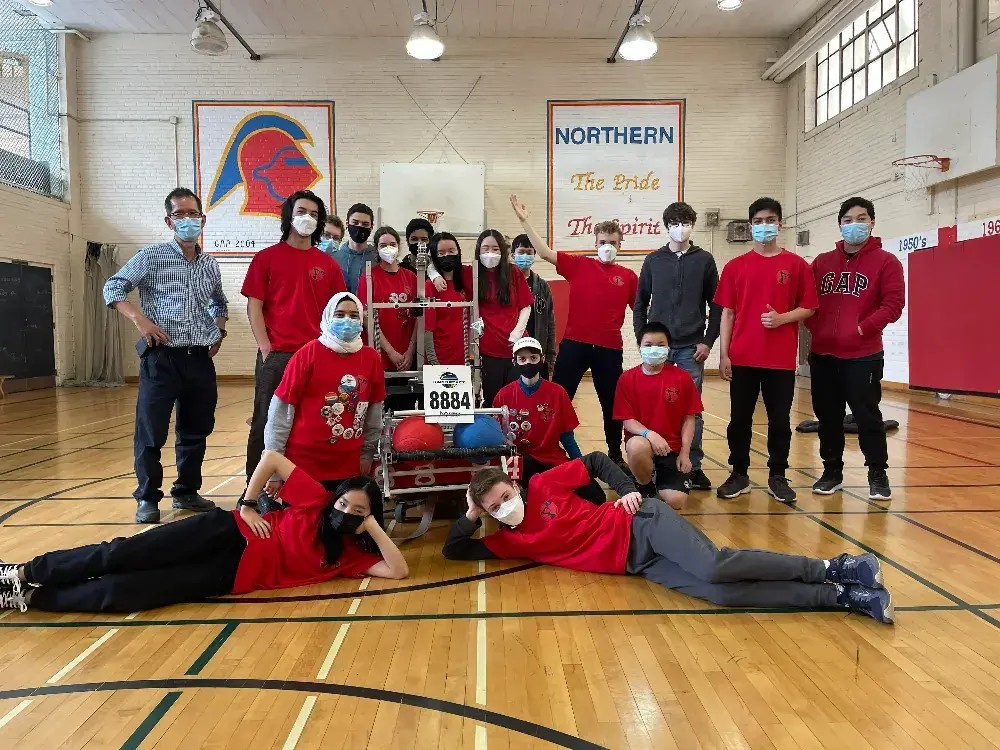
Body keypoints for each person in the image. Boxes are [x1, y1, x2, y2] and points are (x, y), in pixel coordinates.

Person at [440, 455, 893, 623]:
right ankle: (840, 598)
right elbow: (454, 551)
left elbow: (597, 460)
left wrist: (628, 490)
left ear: (514, 486)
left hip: (641, 523)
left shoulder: (542, 486)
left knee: (716, 566)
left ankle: (835, 567)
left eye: (503, 497)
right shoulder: (507, 541)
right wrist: (471, 514)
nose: (503, 507)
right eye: (493, 507)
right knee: (722, 597)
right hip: (639, 565)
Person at [0, 451, 409, 614]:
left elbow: (399, 570)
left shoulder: (351, 556)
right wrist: (248, 504)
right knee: (120, 554)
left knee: (124, 593)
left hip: (231, 576)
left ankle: (30, 597)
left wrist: (370, 523)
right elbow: (271, 458)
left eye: (358, 511)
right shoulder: (317, 501)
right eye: (345, 503)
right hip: (226, 532)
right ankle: (20, 572)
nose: (345, 512)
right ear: (334, 498)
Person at [103, 188, 228, 524]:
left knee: (196, 429)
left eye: (193, 213)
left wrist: (219, 329)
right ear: (169, 220)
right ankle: (147, 498)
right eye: (179, 214)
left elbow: (219, 302)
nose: (187, 220)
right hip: (162, 359)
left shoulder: (210, 265)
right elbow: (112, 288)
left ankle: (187, 491)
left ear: (202, 218)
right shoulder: (152, 256)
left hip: (199, 359)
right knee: (151, 431)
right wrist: (140, 319)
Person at [510, 195, 638, 469]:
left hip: (609, 349)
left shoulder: (628, 276)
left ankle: (615, 453)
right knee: (559, 398)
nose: (607, 247)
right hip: (574, 346)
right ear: (595, 243)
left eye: (612, 243)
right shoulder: (579, 265)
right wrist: (524, 220)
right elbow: (544, 252)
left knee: (611, 404)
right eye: (603, 242)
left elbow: (641, 311)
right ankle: (547, 448)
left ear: (620, 245)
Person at [241, 190, 346, 500]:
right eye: (302, 211)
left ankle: (303, 491)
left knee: (311, 424)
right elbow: (254, 306)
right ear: (289, 215)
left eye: (314, 214)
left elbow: (337, 310)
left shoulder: (327, 264)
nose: (308, 218)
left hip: (316, 356)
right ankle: (254, 493)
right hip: (278, 356)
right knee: (265, 421)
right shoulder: (266, 258)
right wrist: (265, 347)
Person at [715, 198, 818, 504]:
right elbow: (727, 314)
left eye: (770, 219)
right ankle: (739, 473)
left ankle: (777, 475)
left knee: (778, 420)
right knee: (739, 419)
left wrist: (782, 318)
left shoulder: (796, 265)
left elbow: (809, 307)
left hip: (780, 360)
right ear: (750, 227)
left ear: (780, 224)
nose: (764, 226)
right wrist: (724, 354)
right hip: (743, 357)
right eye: (758, 221)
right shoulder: (735, 267)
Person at [807, 197, 905, 501]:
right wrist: (817, 328)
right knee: (828, 418)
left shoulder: (887, 262)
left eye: (861, 219)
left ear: (872, 222)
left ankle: (878, 473)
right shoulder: (822, 262)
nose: (854, 225)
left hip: (863, 356)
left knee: (867, 417)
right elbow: (807, 302)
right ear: (840, 224)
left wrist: (862, 328)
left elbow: (893, 305)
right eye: (848, 220)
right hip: (823, 354)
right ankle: (831, 471)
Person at [263, 292, 386, 502]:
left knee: (339, 529)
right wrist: (274, 469)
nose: (347, 320)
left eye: (354, 315)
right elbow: (280, 415)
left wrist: (367, 454)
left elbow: (374, 412)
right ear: (328, 317)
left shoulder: (371, 358)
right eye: (339, 314)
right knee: (303, 529)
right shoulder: (307, 355)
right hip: (303, 465)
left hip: (349, 465)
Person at [633, 201, 720, 491]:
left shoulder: (704, 260)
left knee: (690, 411)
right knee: (653, 406)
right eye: (674, 222)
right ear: (666, 226)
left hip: (690, 350)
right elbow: (640, 304)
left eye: (685, 221)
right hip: (658, 349)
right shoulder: (654, 260)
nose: (680, 227)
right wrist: (642, 340)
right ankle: (656, 463)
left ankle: (692, 466)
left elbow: (717, 305)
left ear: (693, 224)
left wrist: (708, 341)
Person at [493, 337, 605, 504]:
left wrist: (580, 464)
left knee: (596, 496)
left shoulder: (557, 392)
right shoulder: (504, 395)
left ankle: (545, 490)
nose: (528, 363)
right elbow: (496, 437)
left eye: (533, 358)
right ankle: (540, 493)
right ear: (514, 362)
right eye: (522, 359)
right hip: (520, 462)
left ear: (542, 359)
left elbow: (567, 437)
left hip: (551, 459)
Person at [614, 322, 701, 511]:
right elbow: (627, 419)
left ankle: (661, 475)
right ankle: (645, 485)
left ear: (669, 348)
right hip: (643, 443)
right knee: (637, 446)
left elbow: (689, 418)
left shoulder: (682, 378)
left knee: (676, 501)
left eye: (661, 345)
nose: (654, 349)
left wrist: (685, 453)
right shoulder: (627, 379)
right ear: (639, 347)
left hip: (672, 448)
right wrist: (649, 434)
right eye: (648, 345)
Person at [474, 229, 535, 408]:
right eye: (485, 248)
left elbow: (526, 306)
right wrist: (433, 274)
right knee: (493, 399)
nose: (490, 253)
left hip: (516, 348)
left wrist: (517, 332)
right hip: (489, 350)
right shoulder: (474, 273)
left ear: (503, 250)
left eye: (495, 248)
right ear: (478, 250)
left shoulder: (513, 272)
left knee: (516, 399)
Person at [511, 234, 556, 378]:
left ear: (534, 255)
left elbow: (550, 322)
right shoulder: (505, 284)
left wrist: (550, 354)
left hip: (537, 348)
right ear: (513, 255)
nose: (525, 256)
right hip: (511, 349)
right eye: (521, 252)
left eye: (529, 253)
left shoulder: (543, 286)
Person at [424, 232, 472, 366]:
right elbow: (427, 330)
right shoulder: (431, 285)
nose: (447, 256)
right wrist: (434, 363)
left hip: (466, 358)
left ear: (458, 251)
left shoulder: (468, 276)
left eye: (451, 251)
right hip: (440, 359)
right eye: (441, 253)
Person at [331, 203, 378, 293]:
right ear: (347, 224)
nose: (359, 227)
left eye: (365, 224)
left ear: (371, 227)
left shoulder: (378, 259)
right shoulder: (334, 259)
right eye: (355, 223)